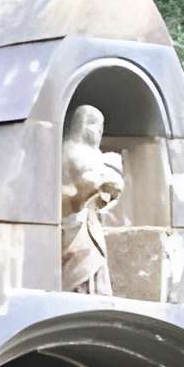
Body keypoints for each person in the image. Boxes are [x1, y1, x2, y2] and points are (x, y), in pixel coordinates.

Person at [59, 104, 123, 297]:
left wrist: (110, 191)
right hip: (72, 220)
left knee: (97, 262)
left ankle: (93, 293)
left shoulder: (94, 154)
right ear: (84, 125)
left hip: (90, 221)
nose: (99, 132)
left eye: (102, 128)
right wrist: (103, 182)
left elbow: (99, 194)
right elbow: (83, 183)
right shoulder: (71, 150)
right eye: (96, 126)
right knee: (81, 262)